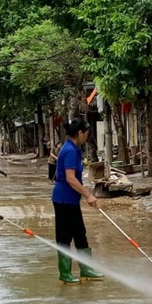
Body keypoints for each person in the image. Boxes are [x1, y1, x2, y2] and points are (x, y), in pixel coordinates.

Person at [52, 119, 104, 285]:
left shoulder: (73, 149)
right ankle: (65, 273)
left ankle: (86, 269)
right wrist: (88, 195)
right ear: (80, 133)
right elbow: (70, 179)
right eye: (86, 134)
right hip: (64, 199)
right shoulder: (70, 151)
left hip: (71, 200)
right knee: (65, 236)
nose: (86, 137)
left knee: (80, 234)